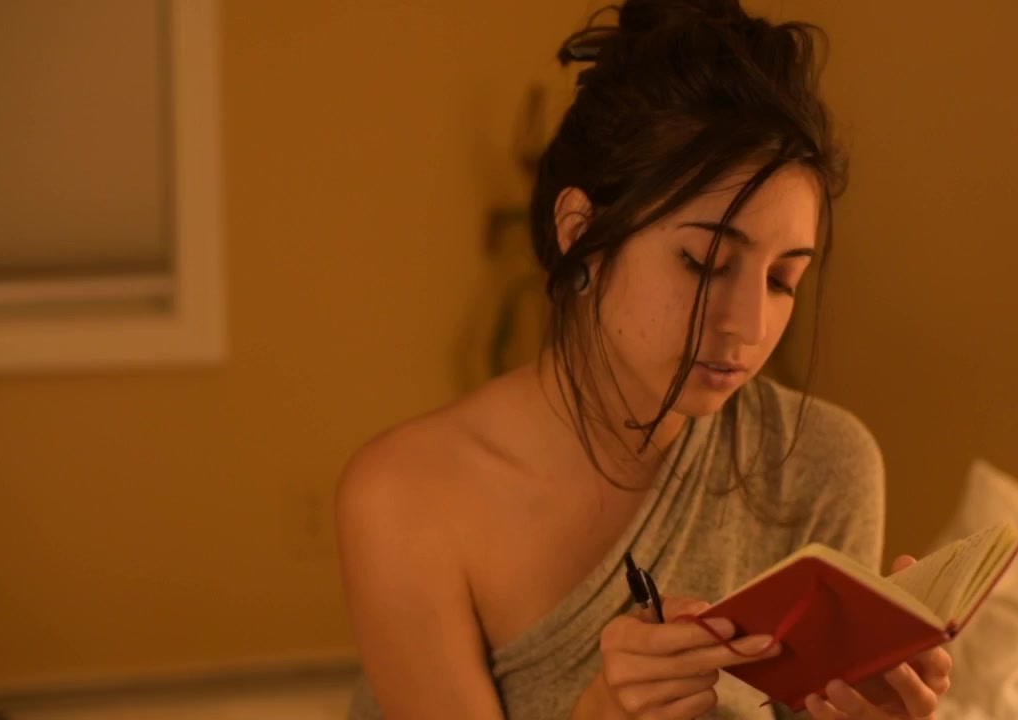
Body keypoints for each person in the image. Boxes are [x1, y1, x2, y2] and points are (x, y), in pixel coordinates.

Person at [335, 1, 952, 717]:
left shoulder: (821, 467)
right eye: (705, 263)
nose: (750, 325)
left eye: (784, 280)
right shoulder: (409, 501)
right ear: (580, 233)